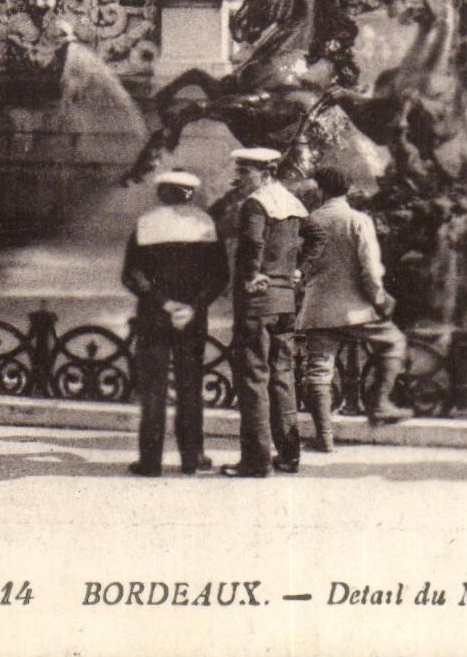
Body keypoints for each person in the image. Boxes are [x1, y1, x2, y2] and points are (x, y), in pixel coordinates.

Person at [120, 171, 228, 477]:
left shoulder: (146, 223)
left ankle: (150, 462)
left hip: (154, 315)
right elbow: (220, 275)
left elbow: (132, 274)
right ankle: (192, 458)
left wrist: (162, 302)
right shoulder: (206, 226)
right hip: (192, 317)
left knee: (153, 388)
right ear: (191, 194)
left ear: (161, 193)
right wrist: (193, 306)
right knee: (190, 385)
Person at [297, 167, 412, 451]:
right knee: (395, 343)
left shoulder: (309, 221)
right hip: (357, 309)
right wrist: (380, 299)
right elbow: (369, 269)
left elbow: (299, 267)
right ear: (347, 190)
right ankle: (380, 402)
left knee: (318, 370)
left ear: (320, 190)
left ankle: (324, 437)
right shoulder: (358, 220)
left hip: (318, 309)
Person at [220, 147, 308, 478]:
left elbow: (253, 243)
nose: (239, 178)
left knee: (253, 378)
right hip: (285, 302)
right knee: (282, 377)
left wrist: (251, 275)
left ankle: (256, 461)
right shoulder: (292, 203)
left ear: (265, 172)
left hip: (258, 303)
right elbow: (315, 237)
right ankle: (289, 455)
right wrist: (300, 271)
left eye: (245, 172)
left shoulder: (256, 204)